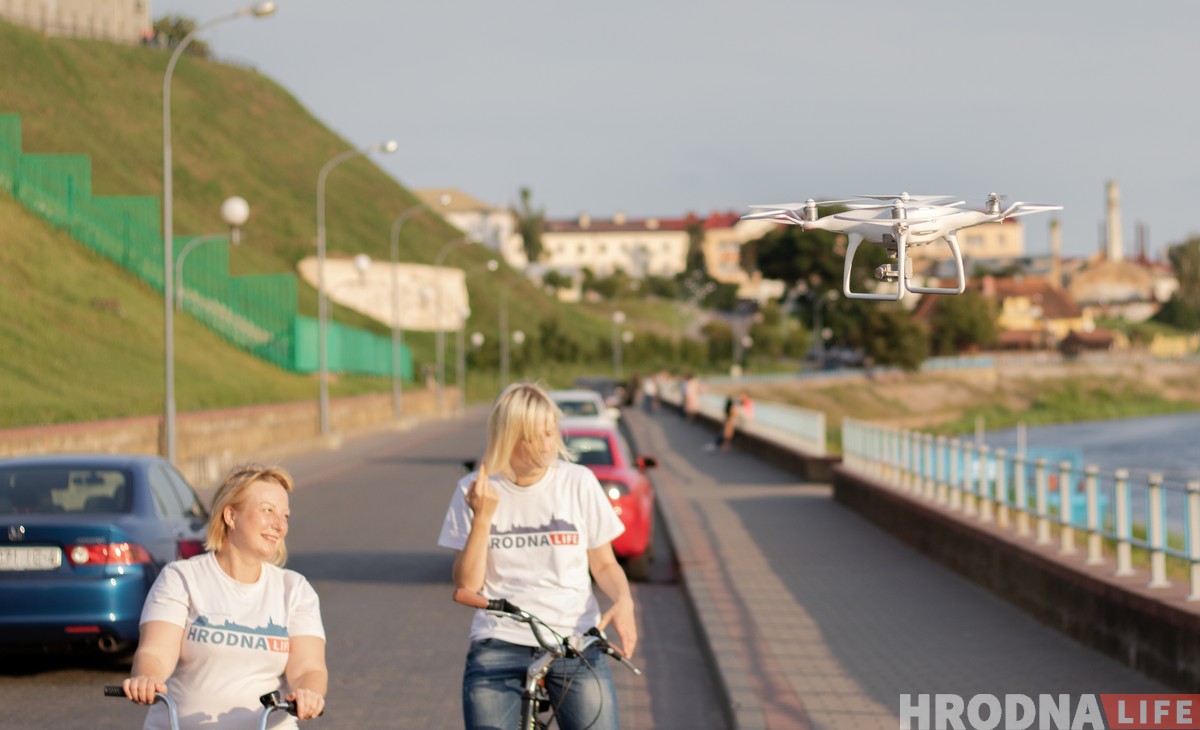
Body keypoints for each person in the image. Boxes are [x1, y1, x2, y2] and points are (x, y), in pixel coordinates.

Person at [438, 382, 638, 730]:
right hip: (499, 641)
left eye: (550, 432)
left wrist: (624, 600)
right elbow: (468, 585)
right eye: (534, 436)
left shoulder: (578, 482)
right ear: (508, 438)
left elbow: (604, 564)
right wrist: (482, 517)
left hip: (574, 639)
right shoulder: (474, 490)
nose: (548, 445)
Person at [121, 464, 327, 730]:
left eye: (285, 515)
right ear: (231, 516)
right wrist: (147, 679)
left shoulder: (295, 589)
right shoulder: (181, 578)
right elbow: (156, 652)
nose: (280, 525)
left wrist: (308, 693)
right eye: (267, 511)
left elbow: (309, 669)